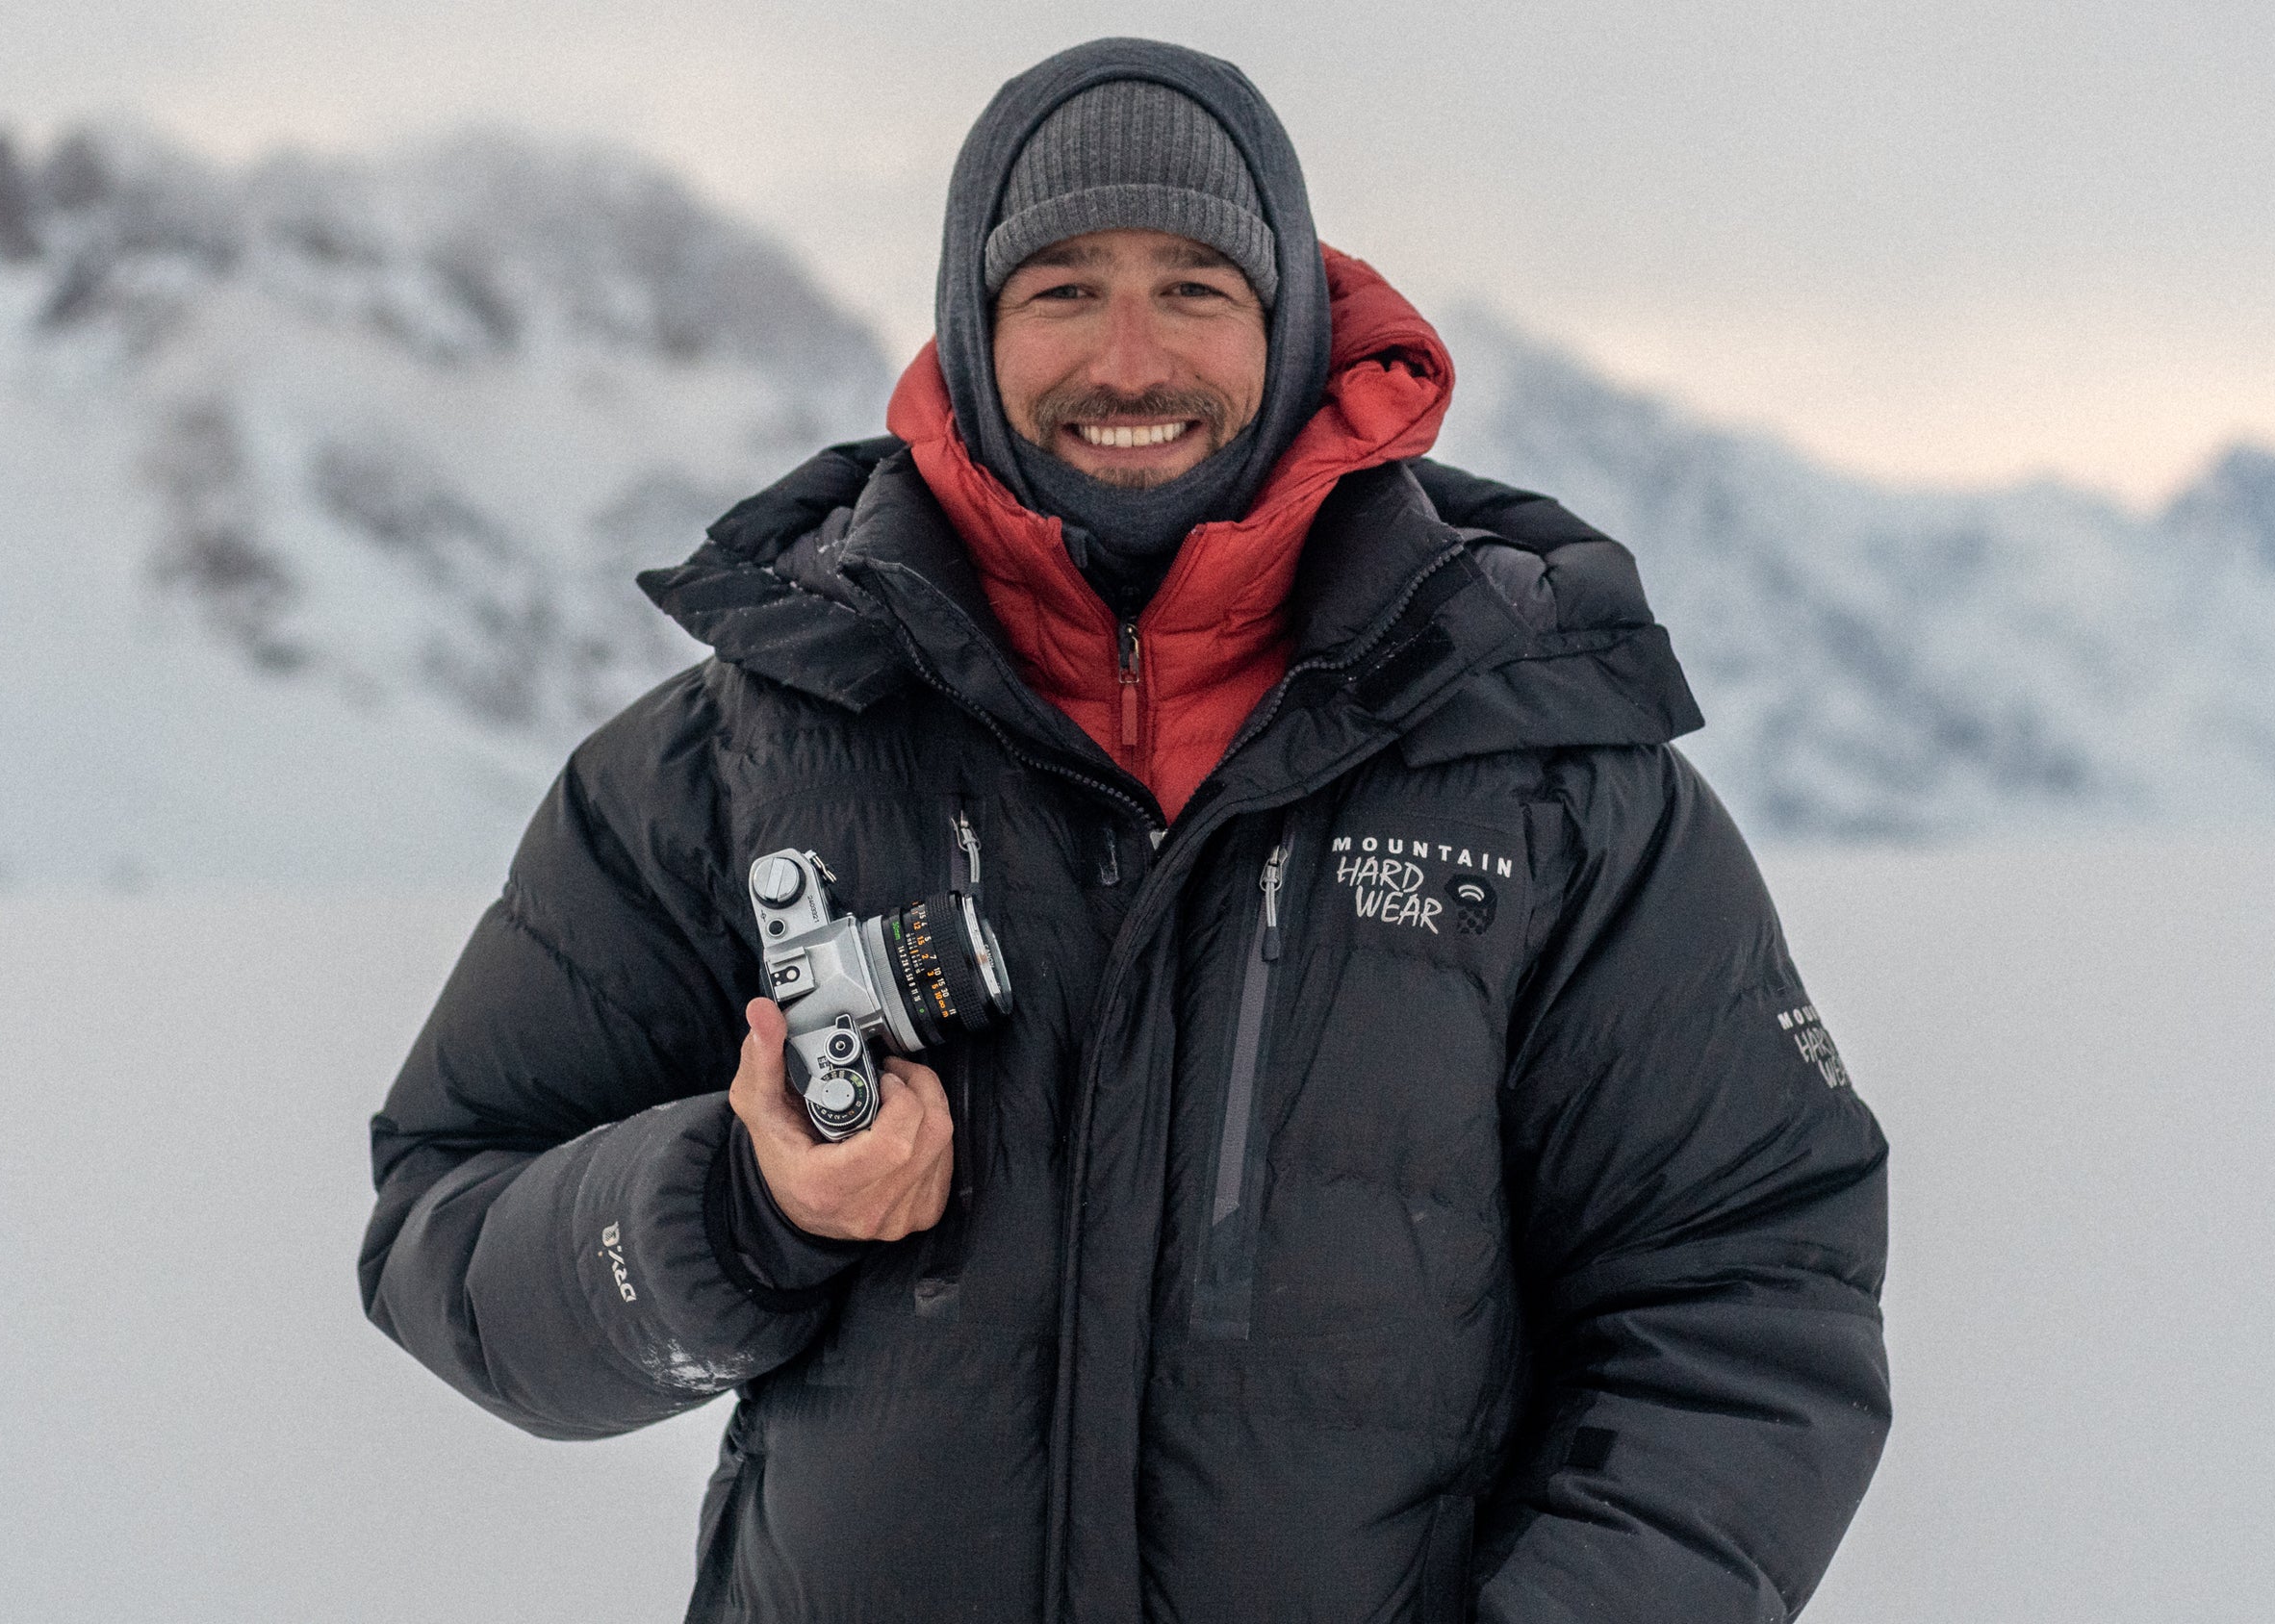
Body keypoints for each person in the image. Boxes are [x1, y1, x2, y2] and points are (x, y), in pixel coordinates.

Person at [361, 37, 1888, 1624]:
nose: (1133, 362)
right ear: (973, 330)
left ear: (1294, 325)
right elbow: (447, 1228)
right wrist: (743, 1211)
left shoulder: (1535, 767)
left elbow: (1750, 1294)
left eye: (1198, 287)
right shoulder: (742, 753)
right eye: (1065, 288)